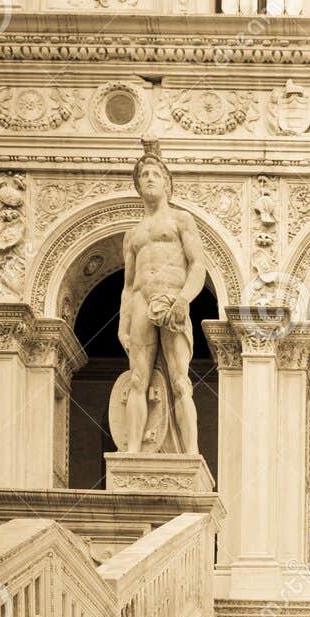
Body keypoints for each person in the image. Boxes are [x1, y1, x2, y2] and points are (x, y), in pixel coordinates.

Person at [119, 144, 205, 457]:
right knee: (138, 379)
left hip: (172, 299)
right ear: (138, 184)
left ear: (167, 183)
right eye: (144, 174)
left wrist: (183, 300)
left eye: (156, 173)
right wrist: (122, 323)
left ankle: (192, 452)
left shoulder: (181, 220)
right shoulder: (133, 234)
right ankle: (132, 451)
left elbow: (198, 265)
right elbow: (128, 286)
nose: (150, 178)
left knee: (181, 381)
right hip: (142, 300)